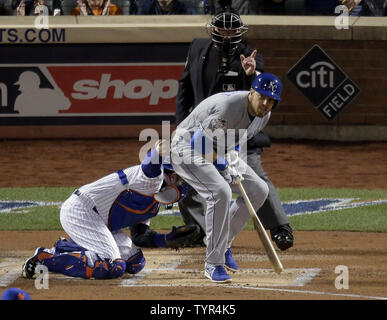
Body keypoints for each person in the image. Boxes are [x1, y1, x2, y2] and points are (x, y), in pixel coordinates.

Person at [175, 7, 294, 251]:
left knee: (256, 179)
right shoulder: (197, 47)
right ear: (214, 29)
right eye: (223, 29)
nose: (227, 34)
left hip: (237, 134)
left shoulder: (250, 55)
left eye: (232, 30)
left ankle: (280, 227)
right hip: (202, 130)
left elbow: (261, 91)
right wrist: (180, 124)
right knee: (187, 181)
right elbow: (185, 85)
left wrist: (251, 74)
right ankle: (201, 231)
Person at [22, 140, 201, 280]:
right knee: (112, 266)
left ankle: (66, 247)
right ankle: (45, 259)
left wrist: (166, 240)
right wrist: (157, 152)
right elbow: (150, 166)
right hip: (80, 211)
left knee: (135, 263)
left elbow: (140, 236)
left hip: (99, 221)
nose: (182, 184)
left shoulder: (154, 204)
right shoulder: (151, 180)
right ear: (168, 173)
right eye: (179, 178)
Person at [171, 72, 283, 283]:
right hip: (186, 148)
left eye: (271, 100)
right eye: (263, 97)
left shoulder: (264, 114)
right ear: (252, 93)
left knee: (259, 190)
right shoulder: (229, 108)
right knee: (220, 192)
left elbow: (238, 136)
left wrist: (230, 159)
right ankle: (213, 264)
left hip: (217, 148)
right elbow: (198, 143)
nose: (266, 103)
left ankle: (224, 246)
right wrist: (223, 165)